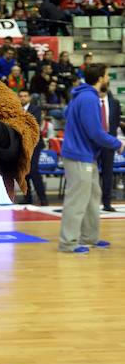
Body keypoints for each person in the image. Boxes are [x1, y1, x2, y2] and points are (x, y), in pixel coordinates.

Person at [58, 64, 125, 253]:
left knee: (91, 198)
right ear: (100, 79)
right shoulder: (88, 98)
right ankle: (68, 243)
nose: (108, 79)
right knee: (77, 201)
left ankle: (89, 237)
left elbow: (66, 114)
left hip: (85, 155)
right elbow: (95, 132)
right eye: (106, 76)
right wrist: (118, 144)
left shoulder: (81, 95)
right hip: (79, 155)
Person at [18, 91, 48, 206]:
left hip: (35, 144)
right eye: (21, 96)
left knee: (34, 170)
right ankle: (27, 198)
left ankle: (43, 198)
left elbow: (32, 124)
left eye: (25, 96)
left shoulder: (36, 109)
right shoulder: (15, 108)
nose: (23, 98)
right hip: (21, 144)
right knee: (24, 172)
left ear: (29, 97)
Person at [99, 89, 123, 212]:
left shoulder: (115, 103)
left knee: (107, 173)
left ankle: (107, 203)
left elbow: (116, 124)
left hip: (109, 142)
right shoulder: (91, 102)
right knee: (91, 172)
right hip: (94, 142)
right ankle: (89, 203)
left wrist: (118, 142)